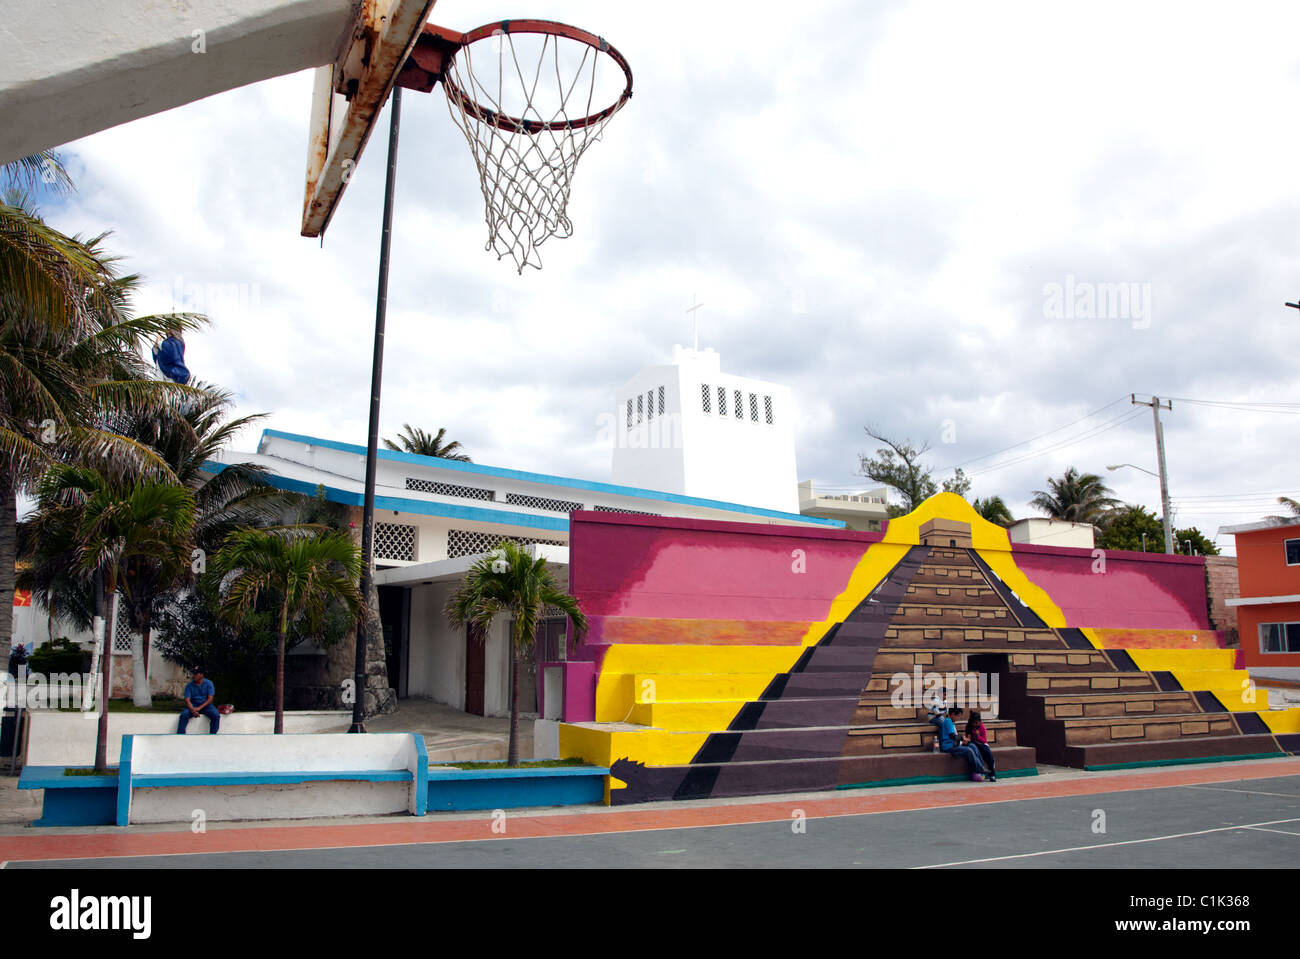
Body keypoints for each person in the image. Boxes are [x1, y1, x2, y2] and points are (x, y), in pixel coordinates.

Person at [927, 700, 986, 781]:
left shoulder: (950, 721)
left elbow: (955, 737)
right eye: (958, 716)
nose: (958, 718)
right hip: (949, 747)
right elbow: (953, 736)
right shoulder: (948, 721)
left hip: (954, 744)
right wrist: (962, 738)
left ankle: (981, 766)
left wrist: (962, 741)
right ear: (952, 714)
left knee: (973, 746)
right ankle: (979, 769)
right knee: (969, 750)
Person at [177, 669, 219, 734]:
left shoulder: (209, 683)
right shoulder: (189, 685)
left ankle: (212, 735)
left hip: (206, 706)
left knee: (216, 715)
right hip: (193, 705)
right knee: (183, 715)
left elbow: (210, 699)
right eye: (193, 674)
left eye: (196, 674)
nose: (194, 676)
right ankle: (180, 735)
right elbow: (187, 700)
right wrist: (192, 710)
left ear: (201, 675)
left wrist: (199, 708)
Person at [963, 709, 997, 782]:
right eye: (974, 723)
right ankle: (979, 770)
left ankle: (992, 774)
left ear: (980, 721)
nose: (975, 725)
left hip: (982, 744)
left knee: (987, 753)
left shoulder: (982, 727)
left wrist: (978, 736)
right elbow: (968, 737)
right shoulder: (969, 726)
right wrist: (968, 739)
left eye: (977, 723)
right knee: (974, 748)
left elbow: (984, 740)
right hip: (972, 743)